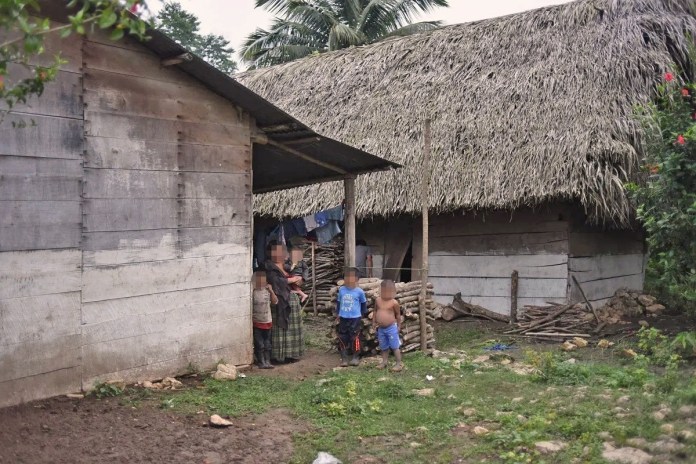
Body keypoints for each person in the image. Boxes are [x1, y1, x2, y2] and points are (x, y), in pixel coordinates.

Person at [264, 241, 304, 363]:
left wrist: (298, 281)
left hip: (292, 300)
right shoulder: (269, 266)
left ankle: (290, 354)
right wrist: (292, 280)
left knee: (291, 328)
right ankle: (277, 356)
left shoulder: (287, 266)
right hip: (278, 302)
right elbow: (276, 282)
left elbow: (298, 280)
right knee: (279, 328)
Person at [335, 267, 368, 367]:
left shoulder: (359, 292)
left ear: (357, 279)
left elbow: (363, 304)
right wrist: (338, 314)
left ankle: (355, 357)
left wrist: (362, 314)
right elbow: (339, 303)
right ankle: (344, 359)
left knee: (355, 337)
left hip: (355, 318)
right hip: (343, 317)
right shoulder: (341, 290)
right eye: (346, 277)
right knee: (342, 337)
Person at [372, 279, 404, 372]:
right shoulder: (378, 300)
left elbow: (398, 315)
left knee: (395, 346)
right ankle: (384, 362)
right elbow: (375, 311)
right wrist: (373, 322)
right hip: (381, 329)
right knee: (383, 346)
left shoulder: (394, 302)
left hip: (391, 328)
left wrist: (398, 326)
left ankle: (398, 363)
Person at [252, 270, 278, 369]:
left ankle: (267, 361)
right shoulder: (253, 292)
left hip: (267, 321)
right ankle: (261, 362)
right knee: (260, 344)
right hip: (257, 322)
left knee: (267, 344)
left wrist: (271, 290)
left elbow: (275, 301)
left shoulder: (267, 290)